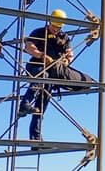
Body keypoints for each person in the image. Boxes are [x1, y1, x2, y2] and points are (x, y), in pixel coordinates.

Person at [17, 9, 95, 141]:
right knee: (43, 77)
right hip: (37, 66)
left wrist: (67, 60)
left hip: (54, 71)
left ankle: (35, 139)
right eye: (54, 26)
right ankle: (24, 105)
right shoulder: (39, 32)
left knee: (41, 106)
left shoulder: (63, 37)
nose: (56, 29)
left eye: (58, 27)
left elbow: (70, 54)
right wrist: (41, 55)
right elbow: (29, 46)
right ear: (49, 22)